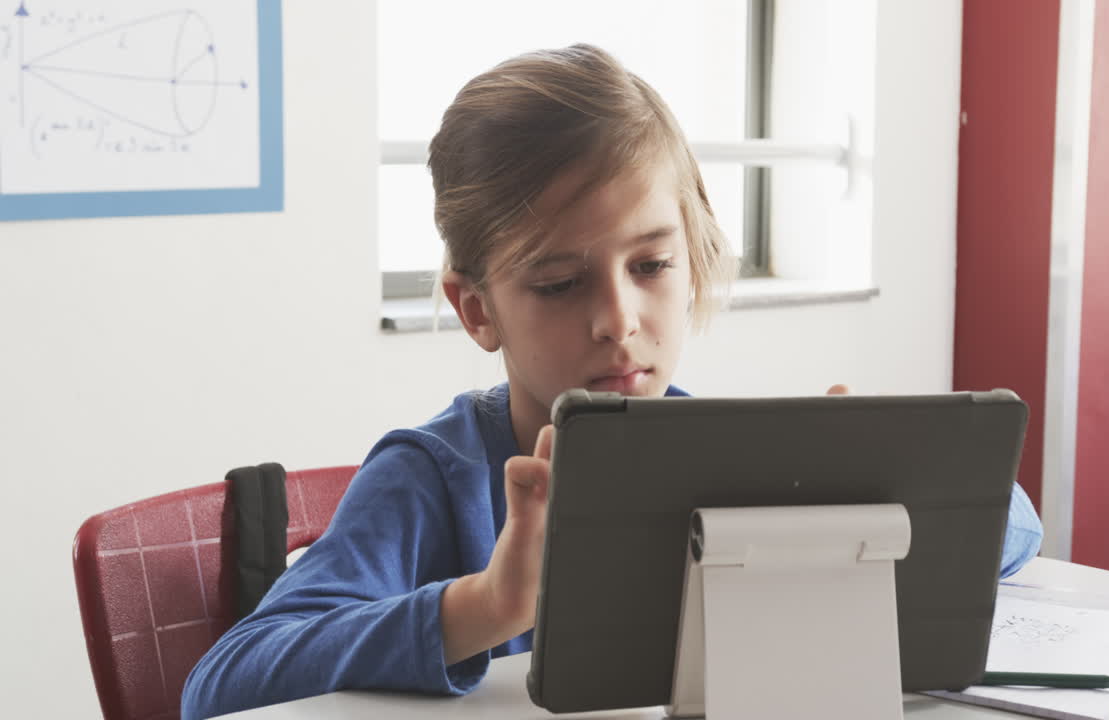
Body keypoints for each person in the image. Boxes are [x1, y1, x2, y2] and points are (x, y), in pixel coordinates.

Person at [181, 44, 1043, 719]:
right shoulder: (427, 480)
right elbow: (219, 686)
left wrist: (877, 480)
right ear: (477, 311)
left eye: (653, 264)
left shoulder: (719, 459)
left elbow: (1013, 526)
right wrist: (485, 606)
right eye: (559, 284)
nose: (618, 319)